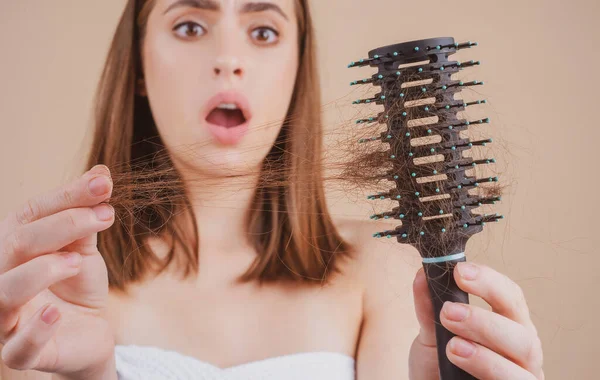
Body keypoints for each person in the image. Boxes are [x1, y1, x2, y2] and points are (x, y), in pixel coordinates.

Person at [0, 0, 544, 379]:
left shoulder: (379, 275)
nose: (228, 59)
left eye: (263, 31)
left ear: (295, 68)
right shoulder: (53, 291)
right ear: (139, 63)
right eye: (190, 25)